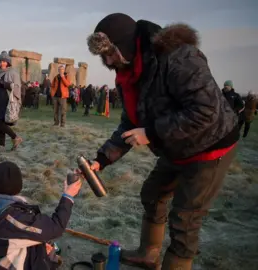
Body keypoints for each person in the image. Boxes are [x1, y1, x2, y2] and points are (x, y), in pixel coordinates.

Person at [86, 14, 239, 269]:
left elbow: (206, 110)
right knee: (152, 194)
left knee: (185, 220)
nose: (109, 61)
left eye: (111, 53)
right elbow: (130, 123)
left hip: (210, 147)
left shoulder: (178, 57)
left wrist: (152, 134)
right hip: (176, 146)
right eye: (104, 56)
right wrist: (101, 160)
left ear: (126, 45)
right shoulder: (127, 74)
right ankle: (149, 253)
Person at [0, 161, 82, 269]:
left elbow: (16, 232)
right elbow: (56, 227)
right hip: (4, 265)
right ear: (19, 185)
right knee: (50, 255)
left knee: (45, 243)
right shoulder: (13, 218)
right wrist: (68, 196)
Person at [0, 51, 23, 151]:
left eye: (4, 61)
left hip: (7, 101)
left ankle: (15, 138)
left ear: (8, 62)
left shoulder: (13, 73)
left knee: (1, 124)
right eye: (0, 61)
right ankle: (1, 145)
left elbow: (18, 87)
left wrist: (6, 84)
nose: (2, 63)